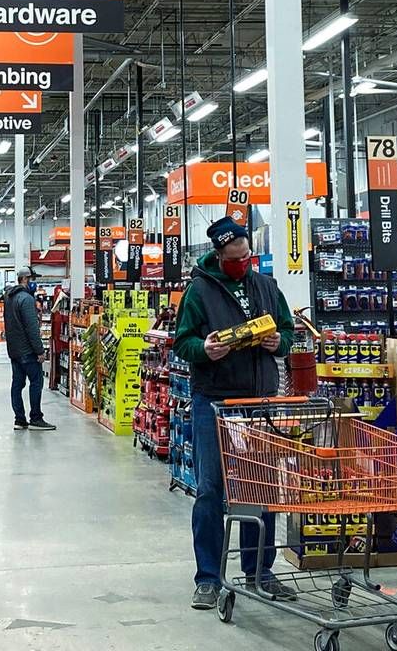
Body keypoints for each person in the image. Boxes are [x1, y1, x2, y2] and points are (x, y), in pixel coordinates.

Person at [173, 216, 297, 611]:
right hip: (214, 402)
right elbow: (182, 343)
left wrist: (280, 342)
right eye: (235, 258)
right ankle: (208, 577)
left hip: (259, 402)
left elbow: (289, 332)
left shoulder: (266, 286)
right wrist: (203, 350)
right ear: (219, 256)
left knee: (260, 487)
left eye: (247, 256)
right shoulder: (198, 292)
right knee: (212, 489)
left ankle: (260, 571)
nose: (243, 263)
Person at [4, 267, 55, 431]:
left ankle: (19, 419)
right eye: (33, 279)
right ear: (25, 279)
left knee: (17, 384)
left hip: (14, 350)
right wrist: (39, 351)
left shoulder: (9, 297)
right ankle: (36, 417)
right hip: (27, 350)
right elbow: (32, 328)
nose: (35, 284)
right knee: (36, 382)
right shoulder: (26, 299)